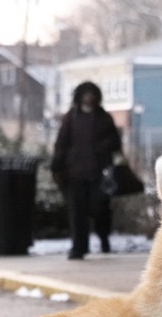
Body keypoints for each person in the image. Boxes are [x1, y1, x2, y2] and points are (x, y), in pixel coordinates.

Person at [50, 81, 123, 260]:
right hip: (74, 174)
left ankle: (104, 238)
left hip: (99, 174)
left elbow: (116, 143)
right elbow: (61, 144)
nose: (89, 97)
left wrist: (104, 148)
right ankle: (78, 248)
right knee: (77, 213)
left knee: (100, 209)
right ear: (79, 96)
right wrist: (56, 166)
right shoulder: (70, 118)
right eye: (85, 94)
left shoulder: (104, 117)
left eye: (92, 94)